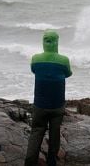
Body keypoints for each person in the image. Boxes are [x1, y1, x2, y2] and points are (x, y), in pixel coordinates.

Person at [25, 30, 72, 166]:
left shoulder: (35, 58)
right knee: (54, 135)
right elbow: (68, 74)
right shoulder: (64, 60)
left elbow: (34, 70)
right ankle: (51, 163)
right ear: (57, 42)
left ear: (43, 42)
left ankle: (29, 163)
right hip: (57, 106)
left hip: (39, 105)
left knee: (36, 134)